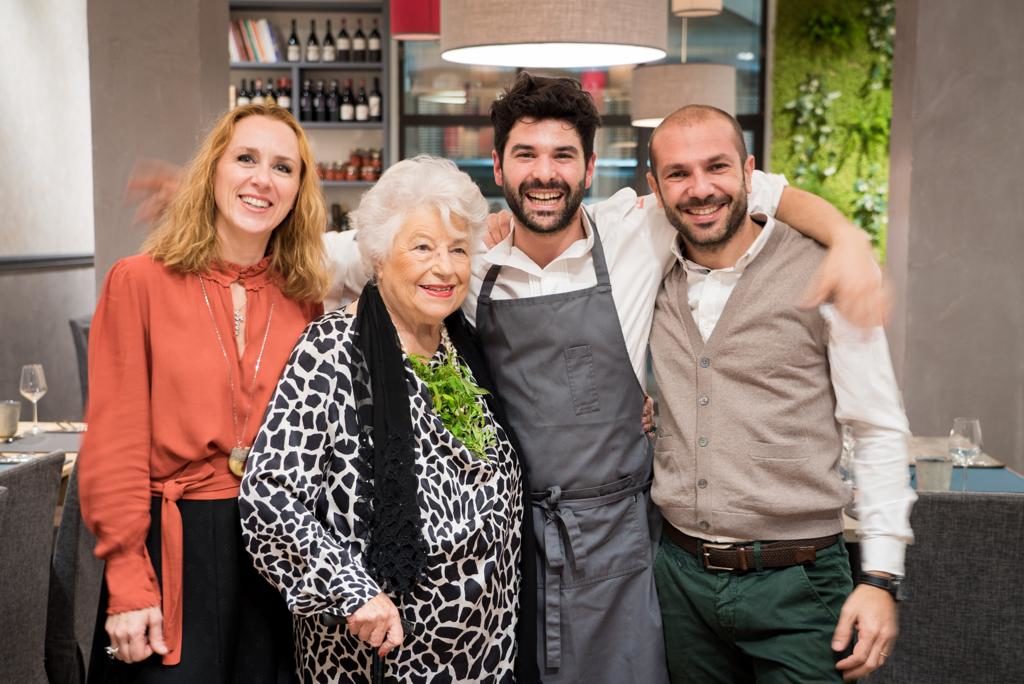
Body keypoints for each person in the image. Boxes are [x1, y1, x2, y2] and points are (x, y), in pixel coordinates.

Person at [238, 156, 535, 683]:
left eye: (458, 249)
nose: (444, 268)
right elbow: (268, 498)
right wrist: (352, 591)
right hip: (380, 656)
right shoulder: (330, 351)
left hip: (484, 654)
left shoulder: (459, 346)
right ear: (379, 256)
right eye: (422, 247)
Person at [646, 105, 915, 683]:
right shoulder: (650, 264)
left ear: (749, 172)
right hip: (679, 580)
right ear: (655, 188)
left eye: (717, 167)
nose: (699, 189)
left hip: (800, 581)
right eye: (678, 174)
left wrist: (881, 578)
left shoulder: (826, 271)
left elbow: (877, 428)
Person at [78, 103, 327, 682]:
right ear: (213, 171)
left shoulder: (303, 298)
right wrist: (127, 577)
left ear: (298, 191)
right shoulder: (138, 282)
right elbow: (114, 443)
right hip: (172, 547)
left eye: (283, 168)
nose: (262, 179)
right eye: (246, 159)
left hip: (274, 552)